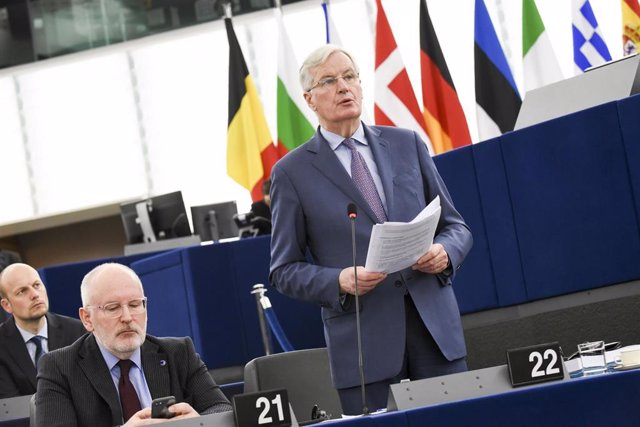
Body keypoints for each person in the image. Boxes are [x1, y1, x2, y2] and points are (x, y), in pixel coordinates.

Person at [269, 45, 473, 415]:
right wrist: (339, 281)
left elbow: (456, 227)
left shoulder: (406, 143)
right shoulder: (291, 173)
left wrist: (445, 253)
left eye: (350, 76)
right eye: (329, 81)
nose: (344, 87)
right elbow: (284, 271)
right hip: (364, 350)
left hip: (435, 333)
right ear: (309, 99)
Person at [35, 263, 232, 427]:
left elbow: (222, 410)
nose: (128, 318)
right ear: (87, 319)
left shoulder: (179, 353)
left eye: (135, 305)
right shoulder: (59, 368)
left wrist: (199, 422)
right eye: (113, 308)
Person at [0, 263, 86, 398]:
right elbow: (9, 405)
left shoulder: (78, 331)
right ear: (7, 305)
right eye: (22, 291)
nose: (34, 295)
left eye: (36, 285)